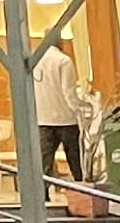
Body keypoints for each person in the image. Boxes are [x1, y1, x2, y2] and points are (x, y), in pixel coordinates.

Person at [33, 43, 87, 184]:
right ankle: (82, 190)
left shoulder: (35, 61)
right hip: (66, 120)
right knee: (76, 163)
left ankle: (42, 193)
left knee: (44, 164)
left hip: (43, 119)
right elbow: (69, 93)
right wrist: (81, 108)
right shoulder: (64, 61)